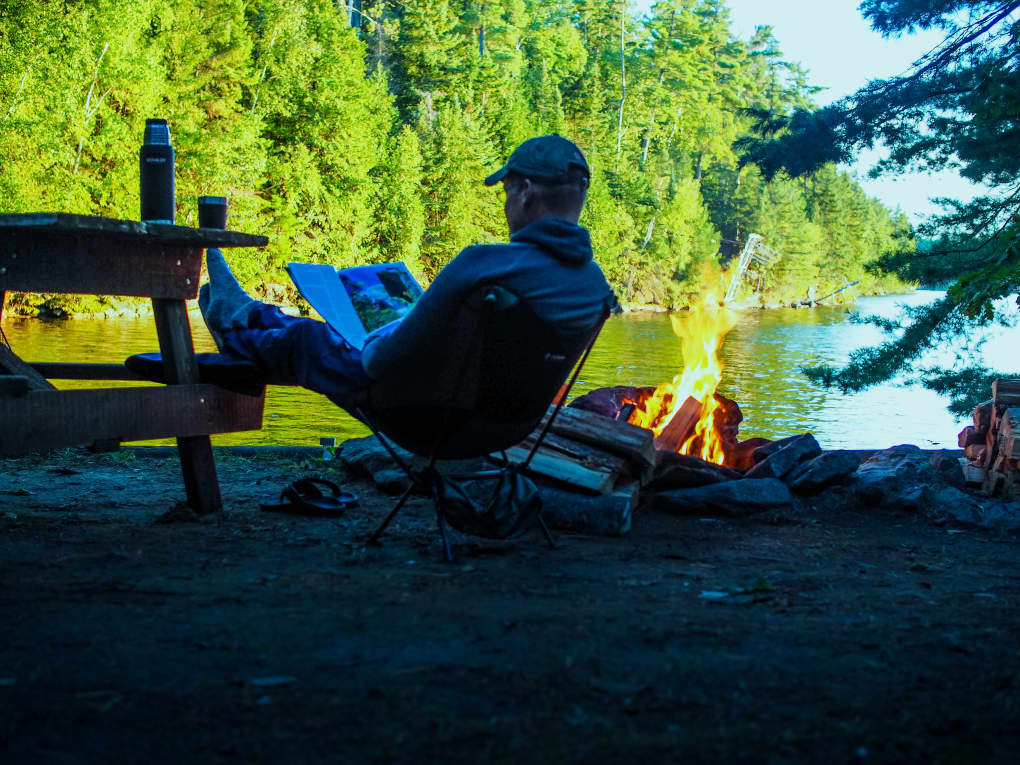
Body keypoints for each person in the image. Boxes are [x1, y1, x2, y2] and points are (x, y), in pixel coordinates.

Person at [199, 134, 616, 409]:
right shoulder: (595, 288)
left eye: (506, 191)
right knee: (319, 336)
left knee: (313, 338)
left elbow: (383, 360)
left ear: (524, 192)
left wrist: (369, 339)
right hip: (503, 427)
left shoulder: (484, 264)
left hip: (420, 414)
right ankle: (247, 315)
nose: (507, 204)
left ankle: (235, 326)